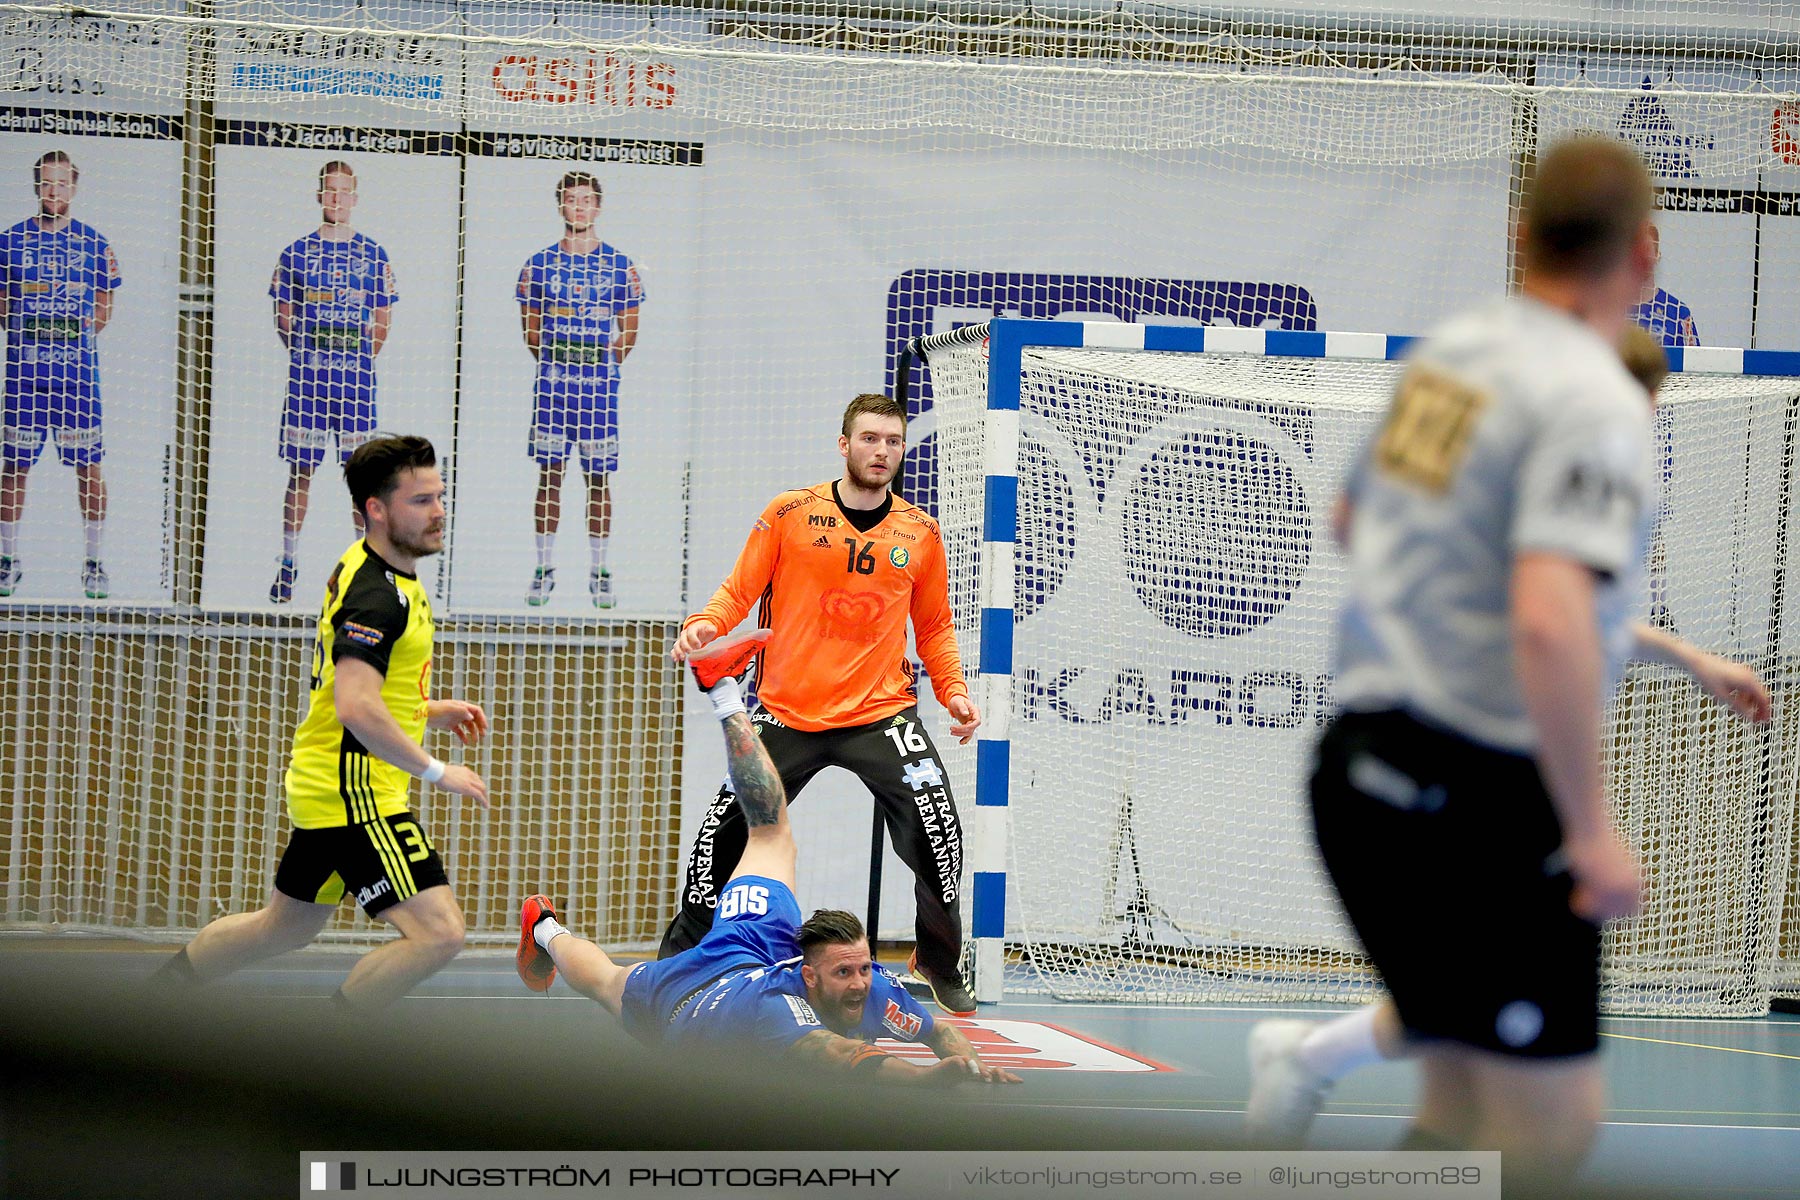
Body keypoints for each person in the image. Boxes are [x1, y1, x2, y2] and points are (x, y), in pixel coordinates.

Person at [1246, 137, 1773, 1182]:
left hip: (1356, 769)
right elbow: (1549, 620)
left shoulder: (1453, 358)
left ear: (1521, 234)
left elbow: (1357, 519)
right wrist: (1591, 831)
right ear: (1646, 251)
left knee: (1461, 1102)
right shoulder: (1593, 397)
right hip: (1479, 787)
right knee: (1549, 1125)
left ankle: (1308, 1063)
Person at [517, 629, 1018, 1085]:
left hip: (744, 949)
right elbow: (846, 1058)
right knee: (609, 982)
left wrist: (972, 1063)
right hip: (682, 1004)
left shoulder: (875, 991)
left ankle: (542, 926)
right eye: (845, 973)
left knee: (766, 834)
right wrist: (929, 1081)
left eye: (863, 969)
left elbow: (936, 1034)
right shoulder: (779, 1011)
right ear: (807, 973)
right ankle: (548, 932)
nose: (860, 984)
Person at [661, 393, 983, 1015]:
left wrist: (955, 692)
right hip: (785, 713)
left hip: (881, 714)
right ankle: (677, 964)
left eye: (893, 441)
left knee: (940, 834)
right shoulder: (789, 513)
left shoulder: (920, 532)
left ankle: (940, 962)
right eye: (869, 439)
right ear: (844, 444)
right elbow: (739, 589)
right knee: (719, 842)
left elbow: (936, 627)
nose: (882, 451)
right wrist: (706, 624)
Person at [153, 435, 492, 1008]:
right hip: (354, 792)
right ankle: (331, 1046)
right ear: (376, 510)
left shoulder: (373, 570)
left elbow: (355, 687)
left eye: (439, 497)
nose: (438, 512)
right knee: (439, 933)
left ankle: (153, 1001)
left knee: (283, 928)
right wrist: (438, 772)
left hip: (324, 782)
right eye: (420, 501)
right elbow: (356, 707)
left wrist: (427, 710)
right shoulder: (377, 597)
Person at [268, 160, 397, 604]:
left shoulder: (373, 254)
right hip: (309, 383)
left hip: (355, 386)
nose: (336, 199)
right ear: (319, 195)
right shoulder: (295, 254)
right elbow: (284, 319)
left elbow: (382, 319)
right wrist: (311, 356)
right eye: (329, 190)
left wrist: (358, 359)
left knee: (362, 482)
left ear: (355, 198)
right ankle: (288, 565)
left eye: (345, 191)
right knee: (300, 471)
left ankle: (367, 572)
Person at [516, 171, 642, 609]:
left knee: (598, 479)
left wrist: (599, 369)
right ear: (561, 206)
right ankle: (544, 569)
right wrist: (560, 364)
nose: (579, 207)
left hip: (598, 395)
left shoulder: (619, 265)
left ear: (598, 206)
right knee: (549, 476)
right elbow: (531, 329)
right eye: (571, 200)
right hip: (553, 392)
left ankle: (599, 570)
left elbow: (629, 330)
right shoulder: (538, 265)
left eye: (587, 200)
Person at [0, 150, 121, 599]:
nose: (54, 191)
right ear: (36, 187)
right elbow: (2, 304)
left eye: (61, 183)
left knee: (88, 467)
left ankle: (93, 562)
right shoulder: (8, 242)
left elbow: (105, 304)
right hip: (24, 378)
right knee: (14, 468)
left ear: (74, 186)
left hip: (77, 380)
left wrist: (73, 340)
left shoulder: (94, 244)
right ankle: (8, 560)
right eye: (46, 183)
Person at [1630, 223, 1699, 348]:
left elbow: (1695, 363)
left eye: (1646, 250)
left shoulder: (1678, 313)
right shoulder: (1607, 309)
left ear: (1657, 255)